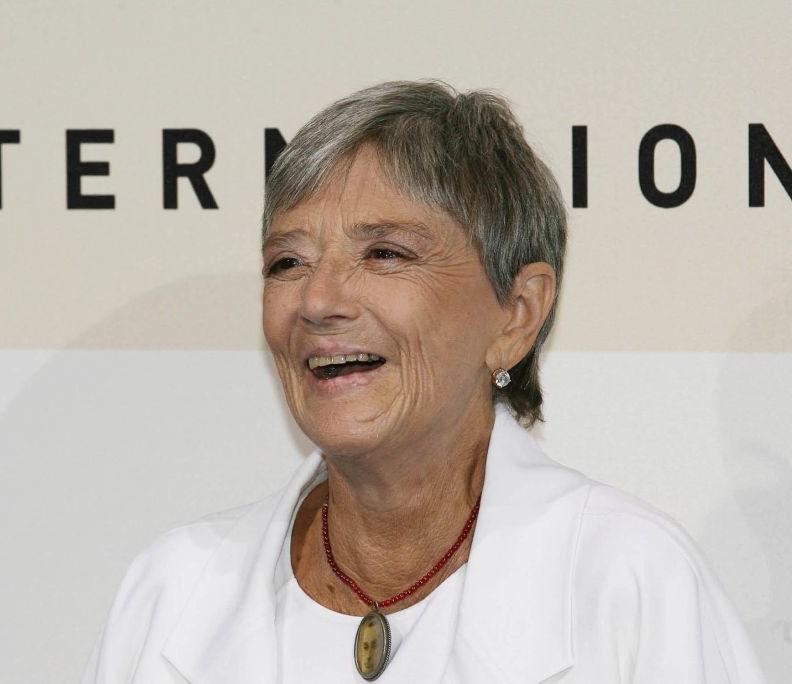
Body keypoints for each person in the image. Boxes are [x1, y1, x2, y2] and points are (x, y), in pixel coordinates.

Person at [82, 81, 765, 683]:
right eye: (287, 262)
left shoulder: (627, 581)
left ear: (517, 315)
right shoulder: (175, 589)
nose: (318, 301)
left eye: (385, 253)